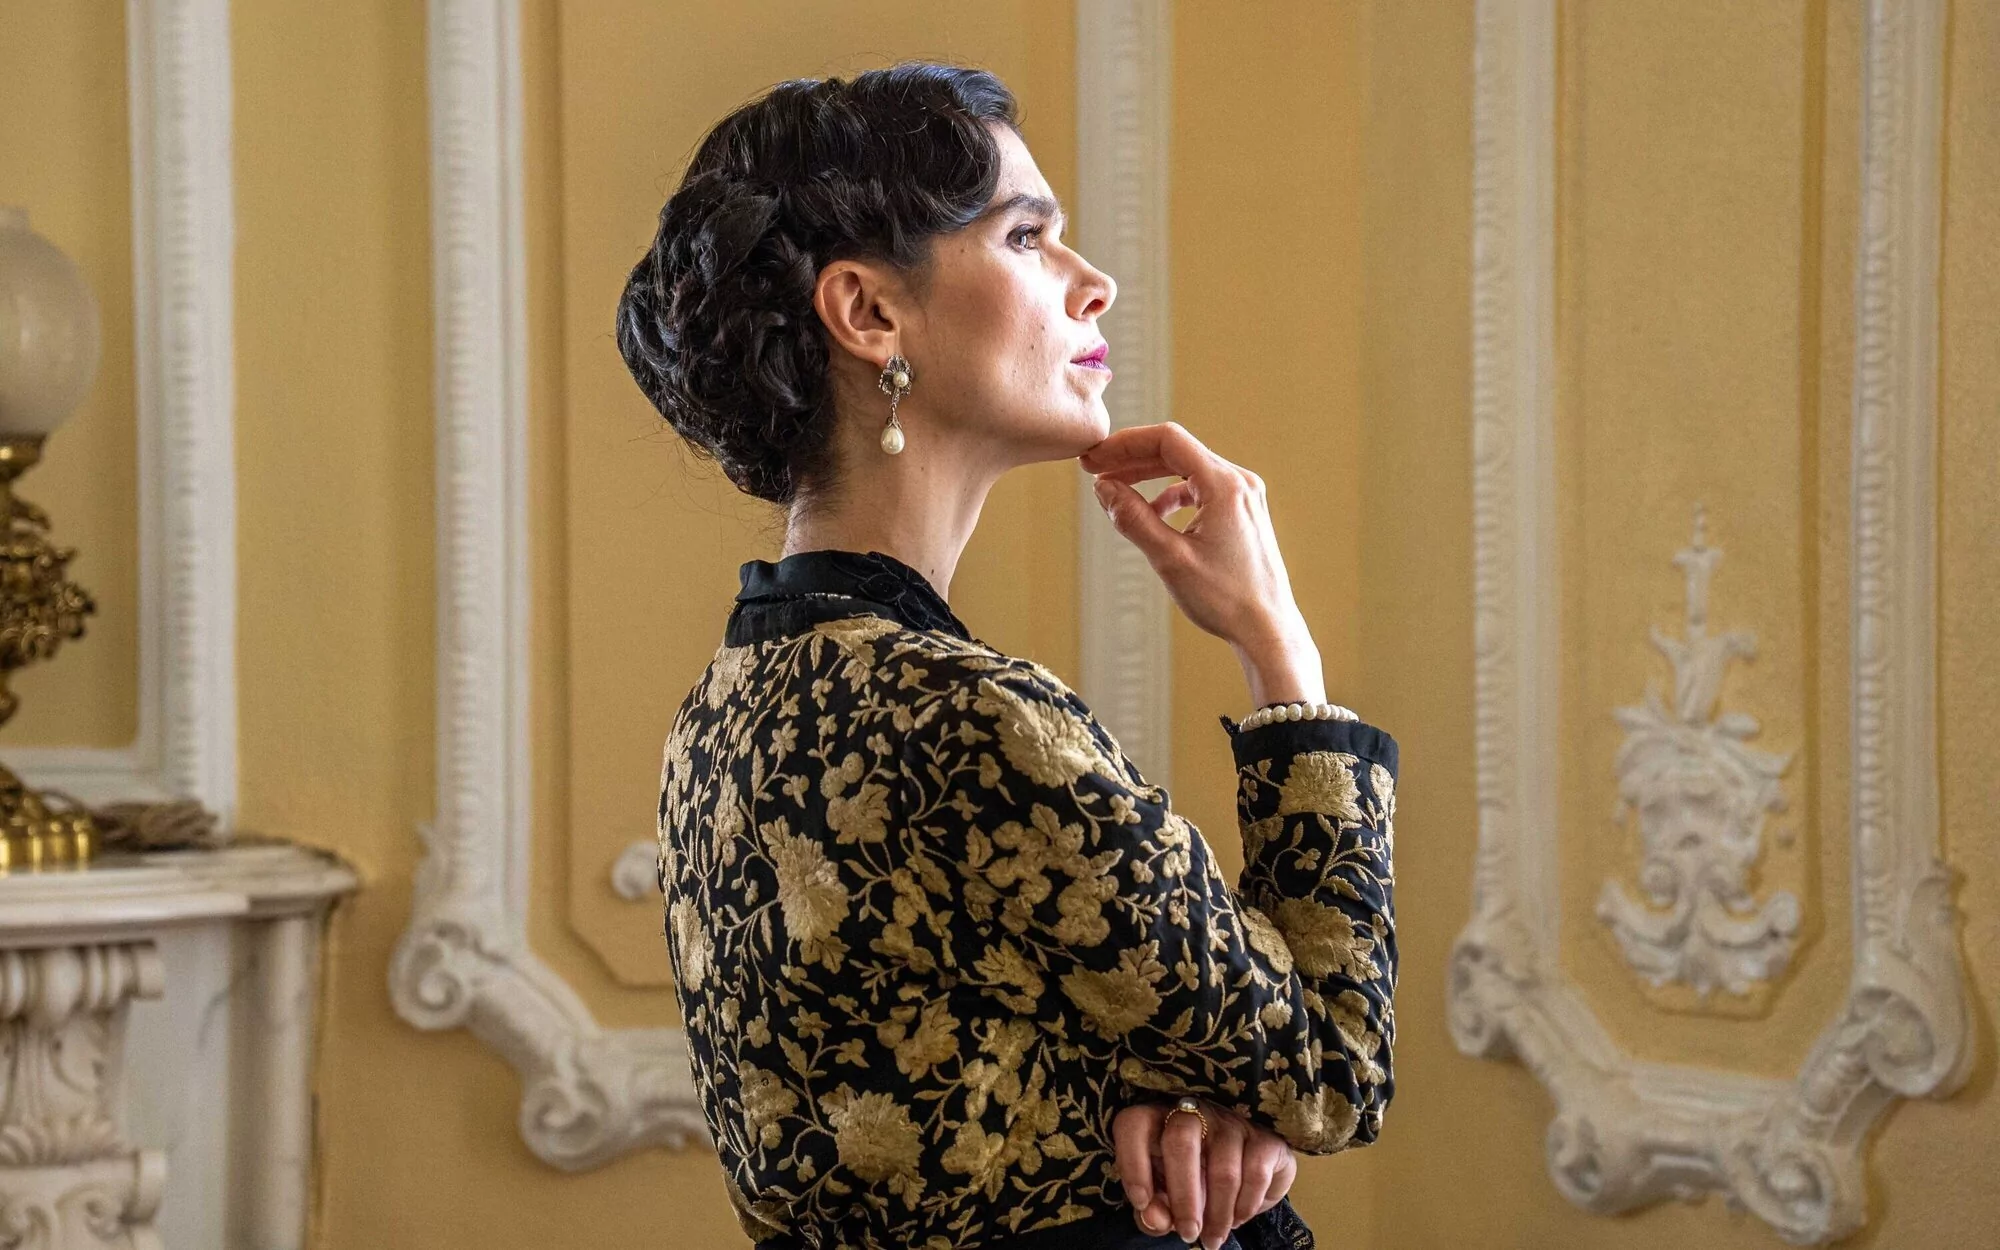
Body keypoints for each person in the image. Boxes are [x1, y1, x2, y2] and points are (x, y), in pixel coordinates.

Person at [618, 61, 1397, 1250]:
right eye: (1026, 236)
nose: (1094, 283)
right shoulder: (969, 718)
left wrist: (1183, 1102)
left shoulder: (719, 712)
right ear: (867, 314)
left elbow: (974, 1067)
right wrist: (1276, 645)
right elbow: (1333, 1069)